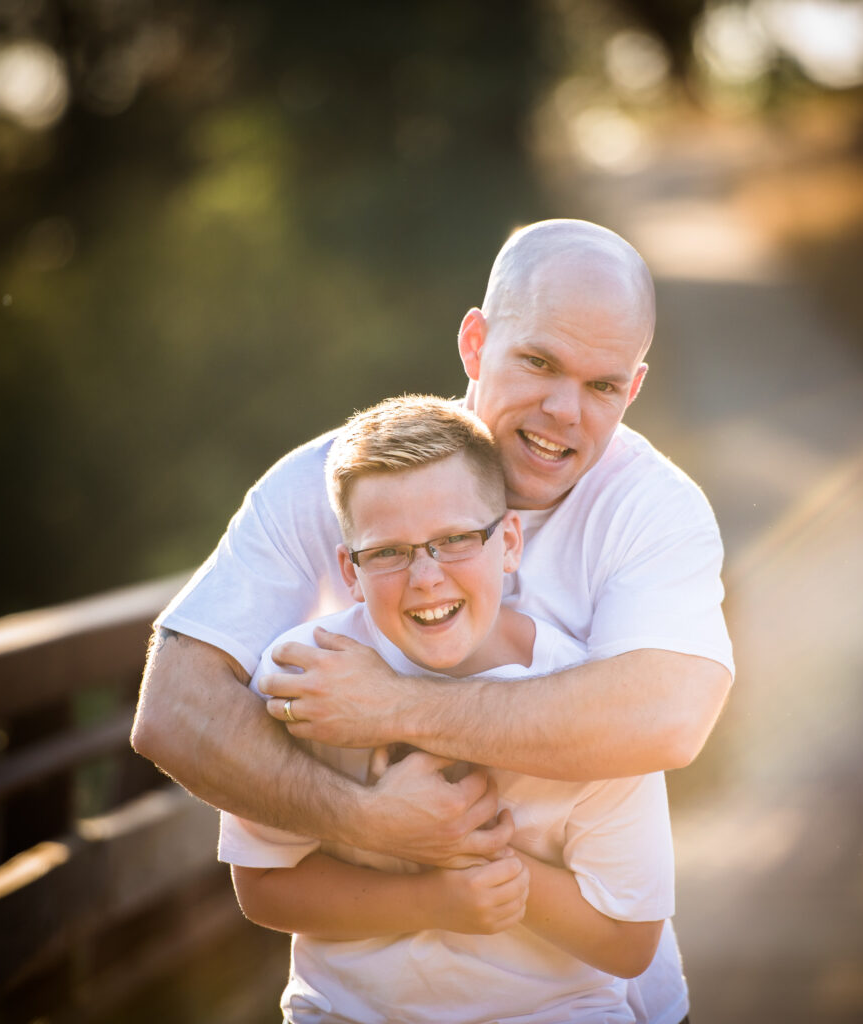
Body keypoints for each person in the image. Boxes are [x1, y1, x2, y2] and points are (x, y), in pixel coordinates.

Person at [132, 218, 733, 1023]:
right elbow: (174, 711)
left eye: (603, 386)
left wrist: (396, 707)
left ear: (635, 386)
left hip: (594, 1001)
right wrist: (370, 823)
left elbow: (666, 719)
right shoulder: (329, 484)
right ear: (476, 342)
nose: (563, 412)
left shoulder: (655, 510)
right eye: (540, 361)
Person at [222, 395, 675, 1023]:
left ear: (509, 541)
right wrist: (429, 900)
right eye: (387, 552)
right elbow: (263, 885)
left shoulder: (584, 694)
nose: (426, 577)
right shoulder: (303, 676)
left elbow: (628, 942)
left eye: (456, 539)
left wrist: (468, 848)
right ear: (349, 573)